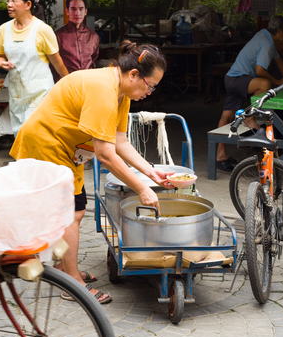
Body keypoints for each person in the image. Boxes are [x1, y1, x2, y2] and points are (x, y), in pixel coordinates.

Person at [10, 41, 171, 304]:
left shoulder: (121, 93)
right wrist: (141, 189)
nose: (149, 92)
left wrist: (150, 173)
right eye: (149, 85)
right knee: (72, 212)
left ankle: (62, 269)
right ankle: (72, 282)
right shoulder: (103, 91)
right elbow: (106, 154)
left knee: (71, 210)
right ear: (133, 75)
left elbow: (121, 142)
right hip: (46, 144)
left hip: (65, 148)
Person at [215, 16, 283, 171]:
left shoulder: (264, 34)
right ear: (278, 31)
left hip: (232, 77)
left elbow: (278, 59)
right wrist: (277, 81)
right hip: (239, 79)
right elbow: (260, 70)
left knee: (227, 117)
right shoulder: (267, 44)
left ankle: (220, 155)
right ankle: (250, 118)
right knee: (264, 83)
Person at [0, 0, 69, 138]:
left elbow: (57, 62)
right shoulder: (3, 29)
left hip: (40, 94)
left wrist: (70, 83)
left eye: (14, 0)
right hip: (17, 95)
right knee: (20, 138)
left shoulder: (42, 30)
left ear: (28, 4)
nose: (9, 5)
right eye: (8, 0)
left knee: (33, 135)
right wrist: (2, 63)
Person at [50, 0, 100, 79]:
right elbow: (53, 65)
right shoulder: (57, 36)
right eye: (73, 9)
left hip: (87, 83)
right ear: (67, 11)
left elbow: (94, 60)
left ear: (85, 11)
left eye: (81, 9)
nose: (77, 13)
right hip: (65, 84)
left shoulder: (93, 36)